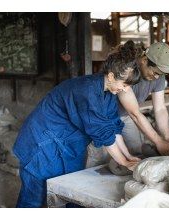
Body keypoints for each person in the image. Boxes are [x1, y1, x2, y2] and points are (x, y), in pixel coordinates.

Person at [12, 41, 141, 208]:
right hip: (42, 142)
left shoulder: (108, 93)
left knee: (73, 193)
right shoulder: (86, 90)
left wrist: (128, 156)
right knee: (34, 197)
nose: (125, 90)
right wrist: (123, 163)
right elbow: (103, 134)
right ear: (110, 76)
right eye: (124, 84)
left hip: (66, 143)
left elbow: (112, 128)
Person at [117, 42, 169, 156]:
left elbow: (160, 108)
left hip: (127, 116)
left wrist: (167, 139)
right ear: (144, 60)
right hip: (106, 116)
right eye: (155, 72)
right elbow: (135, 113)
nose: (156, 77)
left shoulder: (158, 75)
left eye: (159, 74)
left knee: (135, 150)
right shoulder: (127, 69)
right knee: (104, 156)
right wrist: (158, 142)